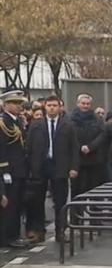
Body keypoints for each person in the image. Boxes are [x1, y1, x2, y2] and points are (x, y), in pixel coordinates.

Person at [25, 95, 79, 243]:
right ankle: (39, 231)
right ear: (45, 107)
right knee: (37, 201)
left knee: (60, 200)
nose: (52, 108)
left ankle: (60, 231)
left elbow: (74, 148)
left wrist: (73, 167)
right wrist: (30, 167)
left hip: (60, 166)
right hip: (40, 167)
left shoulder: (68, 125)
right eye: (49, 105)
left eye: (55, 105)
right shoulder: (36, 125)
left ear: (60, 107)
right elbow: (29, 148)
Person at [0, 91, 31, 248]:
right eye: (15, 103)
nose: (19, 106)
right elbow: (2, 148)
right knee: (9, 206)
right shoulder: (3, 122)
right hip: (10, 170)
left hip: (20, 169)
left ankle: (14, 234)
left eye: (20, 103)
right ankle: (7, 237)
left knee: (18, 203)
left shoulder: (17, 121)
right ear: (5, 105)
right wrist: (5, 171)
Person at [69, 94, 106, 200]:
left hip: (94, 159)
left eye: (88, 104)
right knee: (77, 189)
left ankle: (95, 213)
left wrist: (90, 147)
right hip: (77, 160)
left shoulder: (97, 119)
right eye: (83, 103)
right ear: (78, 104)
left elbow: (102, 135)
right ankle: (76, 213)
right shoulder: (70, 119)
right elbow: (70, 137)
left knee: (95, 188)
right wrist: (80, 147)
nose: (85, 106)